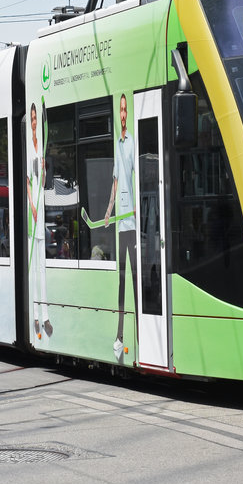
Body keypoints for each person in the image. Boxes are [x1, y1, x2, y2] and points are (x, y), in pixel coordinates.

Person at [104, 94, 136, 362]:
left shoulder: (133, 144)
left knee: (136, 281)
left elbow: (138, 177)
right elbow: (116, 181)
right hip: (122, 225)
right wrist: (108, 211)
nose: (122, 114)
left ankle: (138, 333)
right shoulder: (118, 143)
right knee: (122, 283)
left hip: (135, 223)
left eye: (125, 110)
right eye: (120, 110)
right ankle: (120, 335)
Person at [27, 102, 51, 339]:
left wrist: (44, 170)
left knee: (42, 268)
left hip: (40, 214)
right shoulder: (28, 146)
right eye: (32, 118)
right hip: (32, 213)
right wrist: (32, 207)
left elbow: (41, 182)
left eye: (36, 118)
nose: (34, 122)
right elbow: (27, 182)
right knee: (34, 268)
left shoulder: (40, 149)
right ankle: (35, 316)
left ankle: (45, 315)